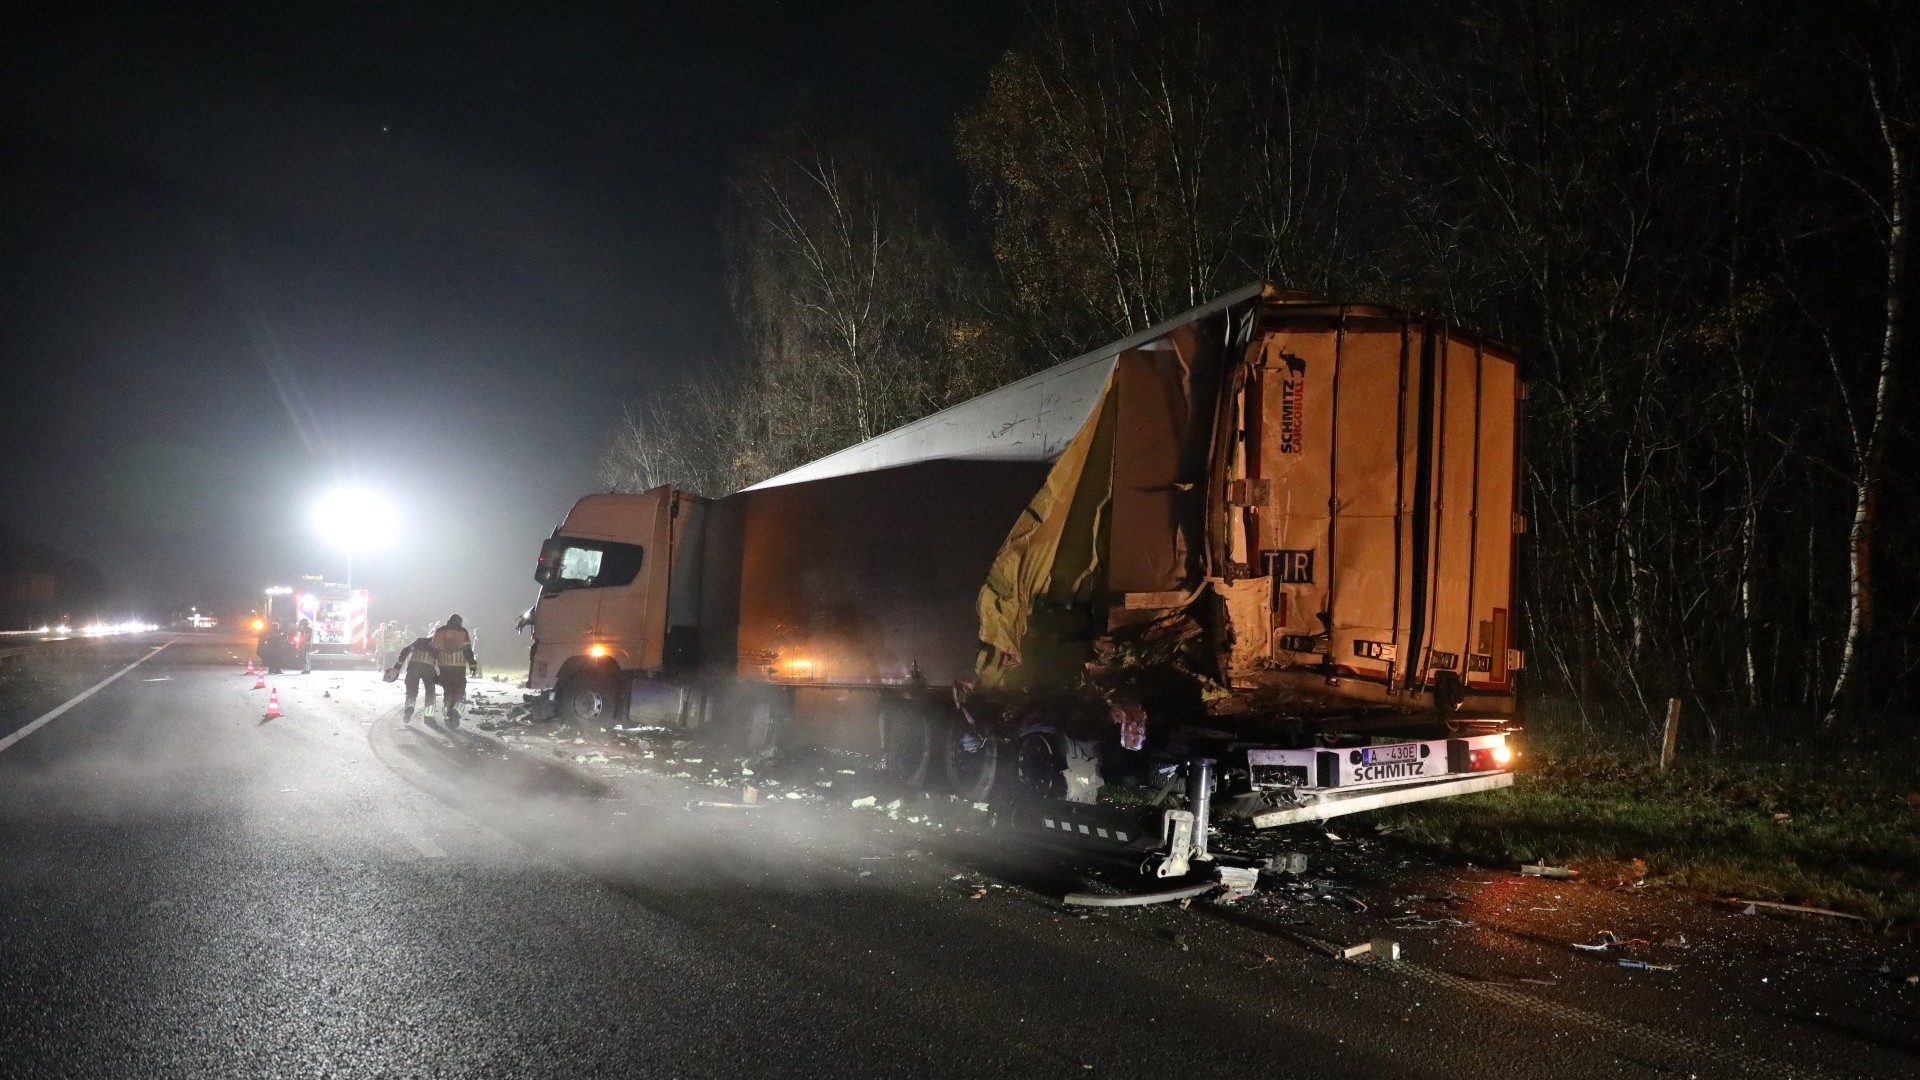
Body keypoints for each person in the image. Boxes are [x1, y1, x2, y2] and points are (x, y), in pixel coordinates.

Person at [430, 614, 481, 726]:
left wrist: (432, 668)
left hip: (444, 666)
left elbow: (433, 650)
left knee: (448, 690)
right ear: (459, 622)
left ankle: (447, 713)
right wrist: (472, 665)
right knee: (460, 690)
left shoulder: (440, 631)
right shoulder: (463, 632)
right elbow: (467, 650)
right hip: (459, 666)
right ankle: (456, 710)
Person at [387, 632, 440, 724]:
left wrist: (397, 667)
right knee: (430, 692)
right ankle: (429, 716)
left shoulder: (420, 641)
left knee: (411, 690)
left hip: (413, 667)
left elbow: (405, 651)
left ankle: (409, 707)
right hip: (429, 669)